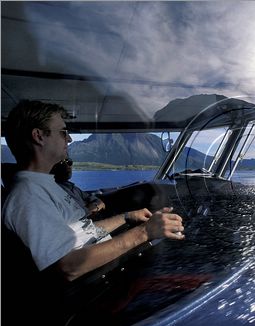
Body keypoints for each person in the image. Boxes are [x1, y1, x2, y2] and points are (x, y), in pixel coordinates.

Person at [2, 100, 185, 282]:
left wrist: (127, 216)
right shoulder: (28, 196)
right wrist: (144, 232)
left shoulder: (44, 185)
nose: (70, 139)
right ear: (39, 136)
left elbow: (82, 233)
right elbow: (69, 266)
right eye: (63, 132)